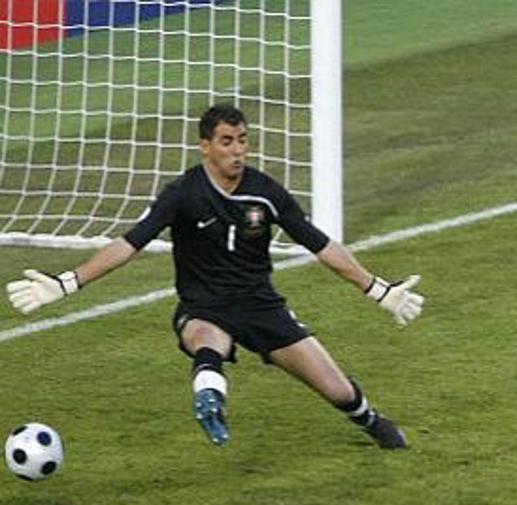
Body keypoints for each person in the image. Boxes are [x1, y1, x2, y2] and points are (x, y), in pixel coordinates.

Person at [6, 104, 424, 450]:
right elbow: (128, 245)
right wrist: (67, 282)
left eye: (242, 140)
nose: (237, 151)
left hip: (261, 307)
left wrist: (377, 289)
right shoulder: (182, 194)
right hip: (203, 308)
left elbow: (322, 246)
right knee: (208, 341)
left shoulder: (266, 193)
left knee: (337, 390)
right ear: (205, 146)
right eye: (227, 141)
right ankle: (210, 399)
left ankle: (374, 423)